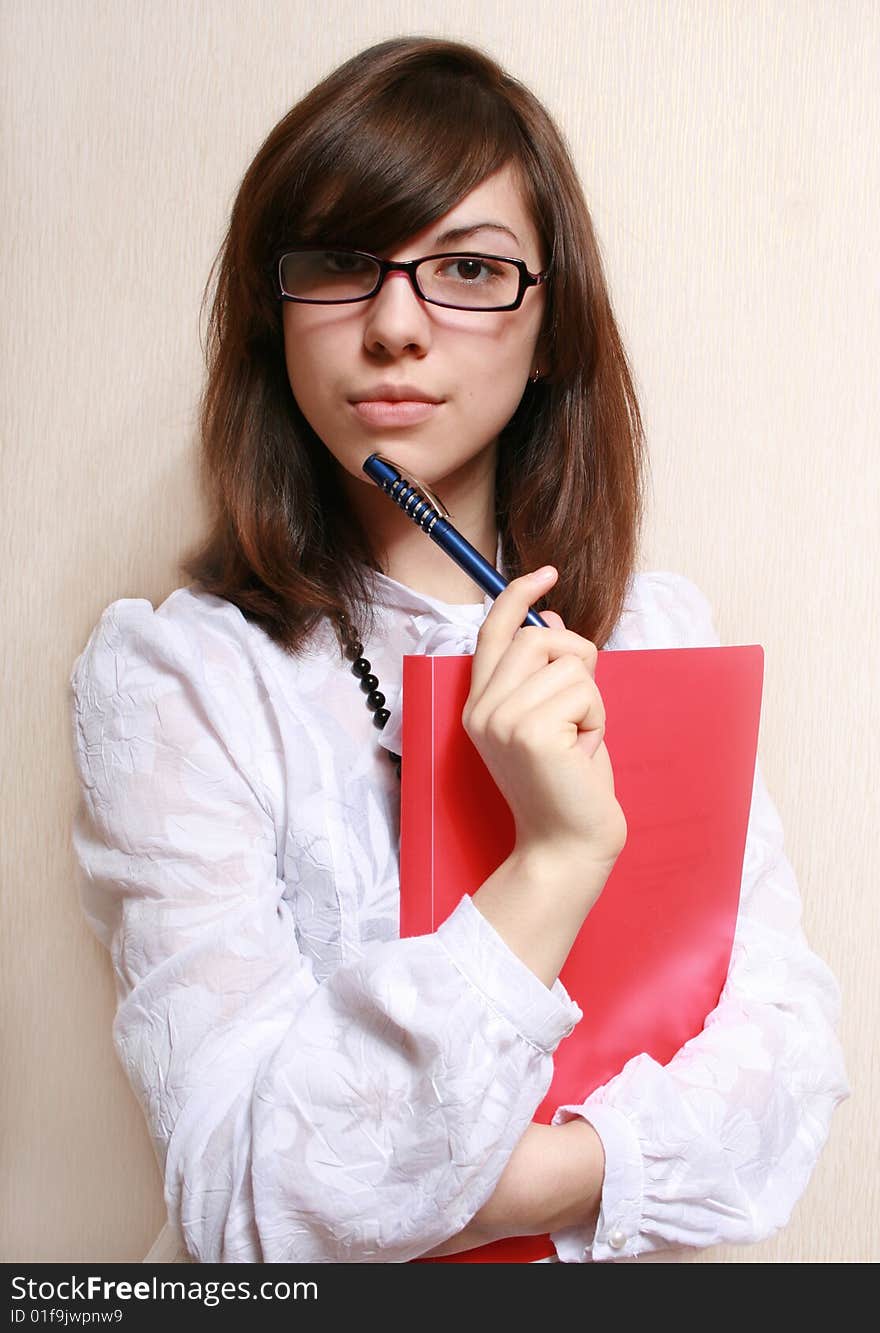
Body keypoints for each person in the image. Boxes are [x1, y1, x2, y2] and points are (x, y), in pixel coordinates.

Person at [68, 36, 848, 1264]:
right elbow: (247, 1215)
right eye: (338, 263)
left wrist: (468, 1179)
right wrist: (557, 857)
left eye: (470, 268)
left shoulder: (654, 633)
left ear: (552, 331)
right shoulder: (185, 680)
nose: (393, 325)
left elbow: (792, 1070)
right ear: (271, 317)